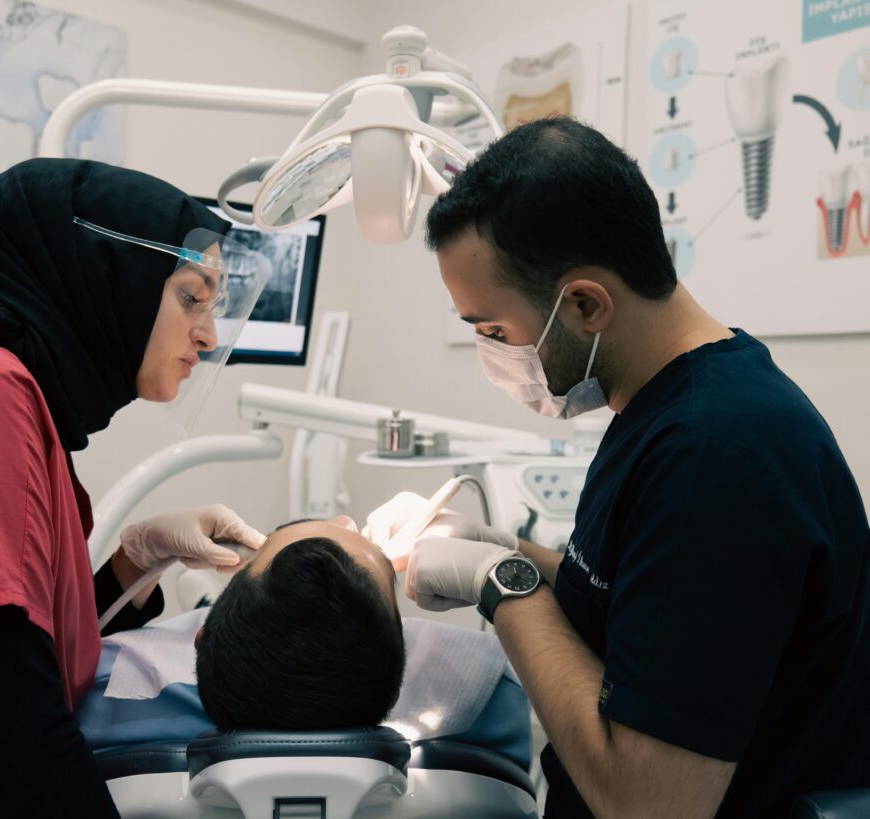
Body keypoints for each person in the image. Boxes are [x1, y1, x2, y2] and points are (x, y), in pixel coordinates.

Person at [369, 117, 870, 817]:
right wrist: (502, 549)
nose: (494, 354)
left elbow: (652, 803)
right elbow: (641, 602)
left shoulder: (717, 453)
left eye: (494, 332)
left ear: (583, 304)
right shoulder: (668, 403)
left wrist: (499, 586)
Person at [0, 158, 268, 819]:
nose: (210, 335)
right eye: (191, 296)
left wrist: (136, 562)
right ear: (108, 276)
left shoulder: (16, 406)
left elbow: (19, 647)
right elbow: (7, 714)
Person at [76, 516, 532, 771]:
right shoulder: (492, 701)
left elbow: (37, 672)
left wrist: (130, 565)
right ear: (405, 654)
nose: (341, 520)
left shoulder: (96, 700)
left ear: (201, 637)